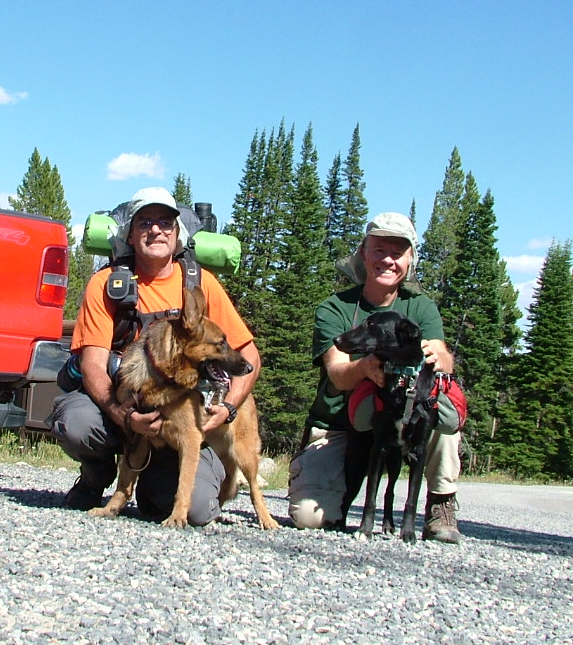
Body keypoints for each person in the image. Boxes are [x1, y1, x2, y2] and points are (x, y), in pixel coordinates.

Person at [49, 187, 261, 524]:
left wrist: (229, 408)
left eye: (166, 222)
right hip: (121, 407)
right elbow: (92, 365)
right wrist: (123, 415)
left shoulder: (200, 283)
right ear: (130, 235)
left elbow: (249, 356)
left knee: (196, 510)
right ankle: (94, 479)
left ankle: (165, 482)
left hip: (176, 420)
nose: (156, 230)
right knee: (79, 422)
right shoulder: (106, 284)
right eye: (145, 222)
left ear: (178, 235)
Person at [287, 212, 463, 542]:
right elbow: (338, 375)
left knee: (439, 404)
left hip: (403, 417)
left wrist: (438, 358)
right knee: (311, 519)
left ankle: (441, 503)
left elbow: (443, 357)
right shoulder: (336, 308)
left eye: (397, 253)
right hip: (342, 425)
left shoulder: (421, 308)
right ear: (364, 253)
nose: (388, 260)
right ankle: (324, 481)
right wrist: (367, 368)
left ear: (410, 261)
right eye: (379, 250)